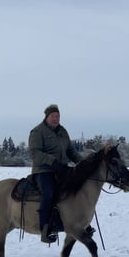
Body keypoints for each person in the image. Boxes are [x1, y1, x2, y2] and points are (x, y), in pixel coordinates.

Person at [28, 103, 82, 243]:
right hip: (43, 171)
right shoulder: (37, 132)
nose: (56, 119)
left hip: (62, 170)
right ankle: (45, 229)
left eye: (58, 116)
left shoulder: (63, 131)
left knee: (76, 191)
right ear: (47, 117)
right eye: (53, 116)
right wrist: (52, 162)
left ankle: (80, 224)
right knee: (49, 193)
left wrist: (82, 163)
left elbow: (70, 151)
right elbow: (35, 153)